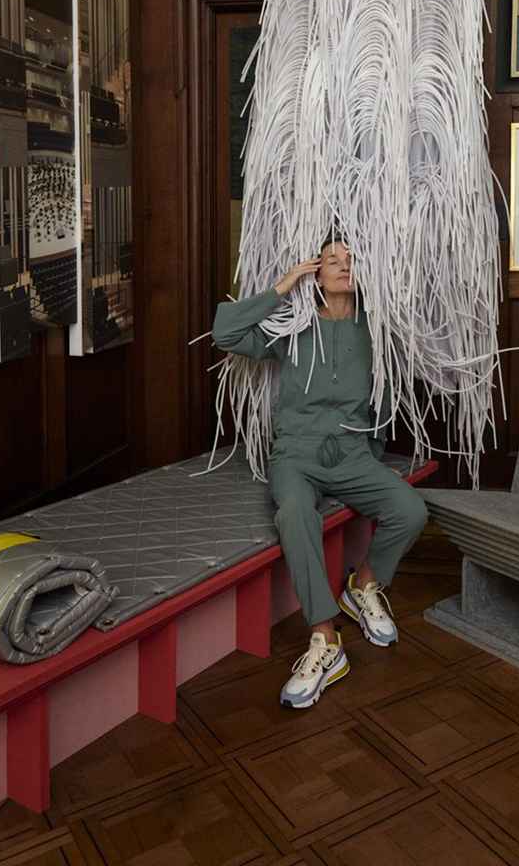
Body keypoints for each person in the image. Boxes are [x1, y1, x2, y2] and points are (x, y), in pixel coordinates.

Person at [212, 238, 428, 709]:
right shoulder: (294, 326)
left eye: (351, 260)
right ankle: (325, 638)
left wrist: (371, 454)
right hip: (296, 455)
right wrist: (282, 286)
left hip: (352, 456)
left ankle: (363, 584)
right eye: (332, 260)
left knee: (410, 509)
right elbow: (224, 333)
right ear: (316, 271)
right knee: (294, 513)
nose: (343, 266)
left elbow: (386, 396)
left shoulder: (376, 330)